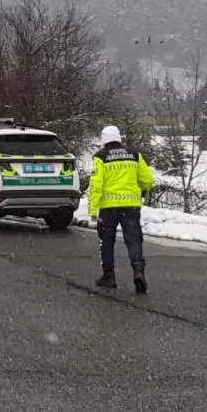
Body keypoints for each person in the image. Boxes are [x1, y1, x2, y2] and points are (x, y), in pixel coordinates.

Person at [87, 125, 154, 294]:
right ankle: (138, 271)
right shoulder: (134, 155)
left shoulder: (101, 157)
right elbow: (147, 180)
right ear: (119, 138)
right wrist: (140, 190)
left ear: (103, 139)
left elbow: (96, 184)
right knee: (133, 240)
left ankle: (109, 276)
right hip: (131, 206)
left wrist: (93, 210)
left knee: (106, 241)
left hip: (109, 208)